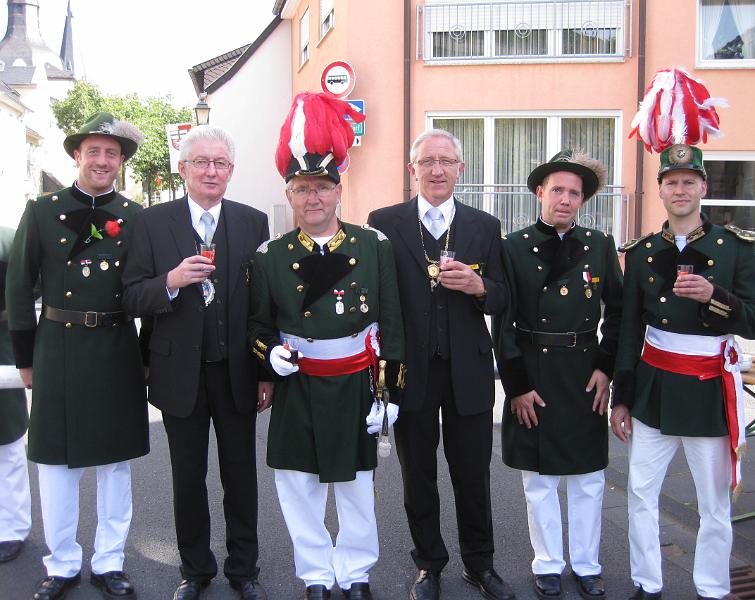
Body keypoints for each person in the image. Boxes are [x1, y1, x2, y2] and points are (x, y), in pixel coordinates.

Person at [248, 92, 404, 600]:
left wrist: (392, 393)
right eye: (301, 189)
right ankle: (316, 574)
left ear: (338, 192)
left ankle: (355, 572)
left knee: (358, 488)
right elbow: (257, 324)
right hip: (300, 384)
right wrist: (266, 354)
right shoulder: (270, 256)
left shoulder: (371, 245)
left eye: (322, 188)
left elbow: (392, 324)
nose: (312, 198)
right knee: (299, 488)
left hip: (356, 382)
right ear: (289, 196)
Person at [610, 144, 755, 600]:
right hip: (654, 387)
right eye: (671, 182)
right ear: (660, 190)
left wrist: (713, 297)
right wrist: (623, 396)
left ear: (704, 187)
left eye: (688, 181)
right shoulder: (641, 252)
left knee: (714, 504)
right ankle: (647, 582)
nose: (680, 190)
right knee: (640, 493)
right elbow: (627, 331)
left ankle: (713, 589)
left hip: (707, 390)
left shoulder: (736, 249)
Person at [122, 126, 271, 600]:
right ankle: (195, 569)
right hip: (178, 373)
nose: (211, 171)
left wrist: (267, 370)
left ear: (231, 171)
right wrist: (171, 279)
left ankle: (243, 568)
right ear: (182, 169)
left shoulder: (253, 222)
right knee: (188, 479)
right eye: (201, 162)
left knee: (241, 477)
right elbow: (130, 297)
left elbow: (263, 305)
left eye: (220, 163)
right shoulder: (151, 222)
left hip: (237, 373)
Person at [6, 112, 149, 600]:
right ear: (77, 155)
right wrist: (25, 359)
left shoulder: (134, 217)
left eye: (112, 153)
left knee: (114, 465)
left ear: (122, 161)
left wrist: (147, 360)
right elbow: (19, 287)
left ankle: (109, 560)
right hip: (58, 347)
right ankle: (62, 562)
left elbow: (144, 291)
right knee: (56, 463)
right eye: (94, 151)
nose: (103, 160)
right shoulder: (42, 210)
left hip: (114, 348)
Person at [368, 129, 514, 600]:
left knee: (473, 473)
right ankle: (428, 563)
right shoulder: (383, 222)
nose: (436, 169)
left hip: (467, 370)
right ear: (412, 169)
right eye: (427, 161)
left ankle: (480, 564)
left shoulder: (485, 226)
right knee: (418, 475)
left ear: (460, 169)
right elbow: (374, 296)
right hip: (411, 371)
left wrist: (478, 287)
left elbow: (503, 296)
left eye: (446, 161)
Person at [494, 151, 623, 600]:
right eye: (557, 191)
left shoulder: (601, 245)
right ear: (539, 193)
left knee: (588, 478)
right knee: (540, 479)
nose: (565, 200)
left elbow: (620, 313)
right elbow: (503, 321)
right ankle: (547, 563)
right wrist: (517, 386)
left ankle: (587, 564)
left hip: (584, 372)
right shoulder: (512, 246)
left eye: (574, 193)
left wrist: (607, 368)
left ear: (582, 200)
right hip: (535, 371)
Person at [0, 226, 31, 566]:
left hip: (1, 348)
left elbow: (29, 281)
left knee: (6, 442)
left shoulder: (7, 240)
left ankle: (11, 527)